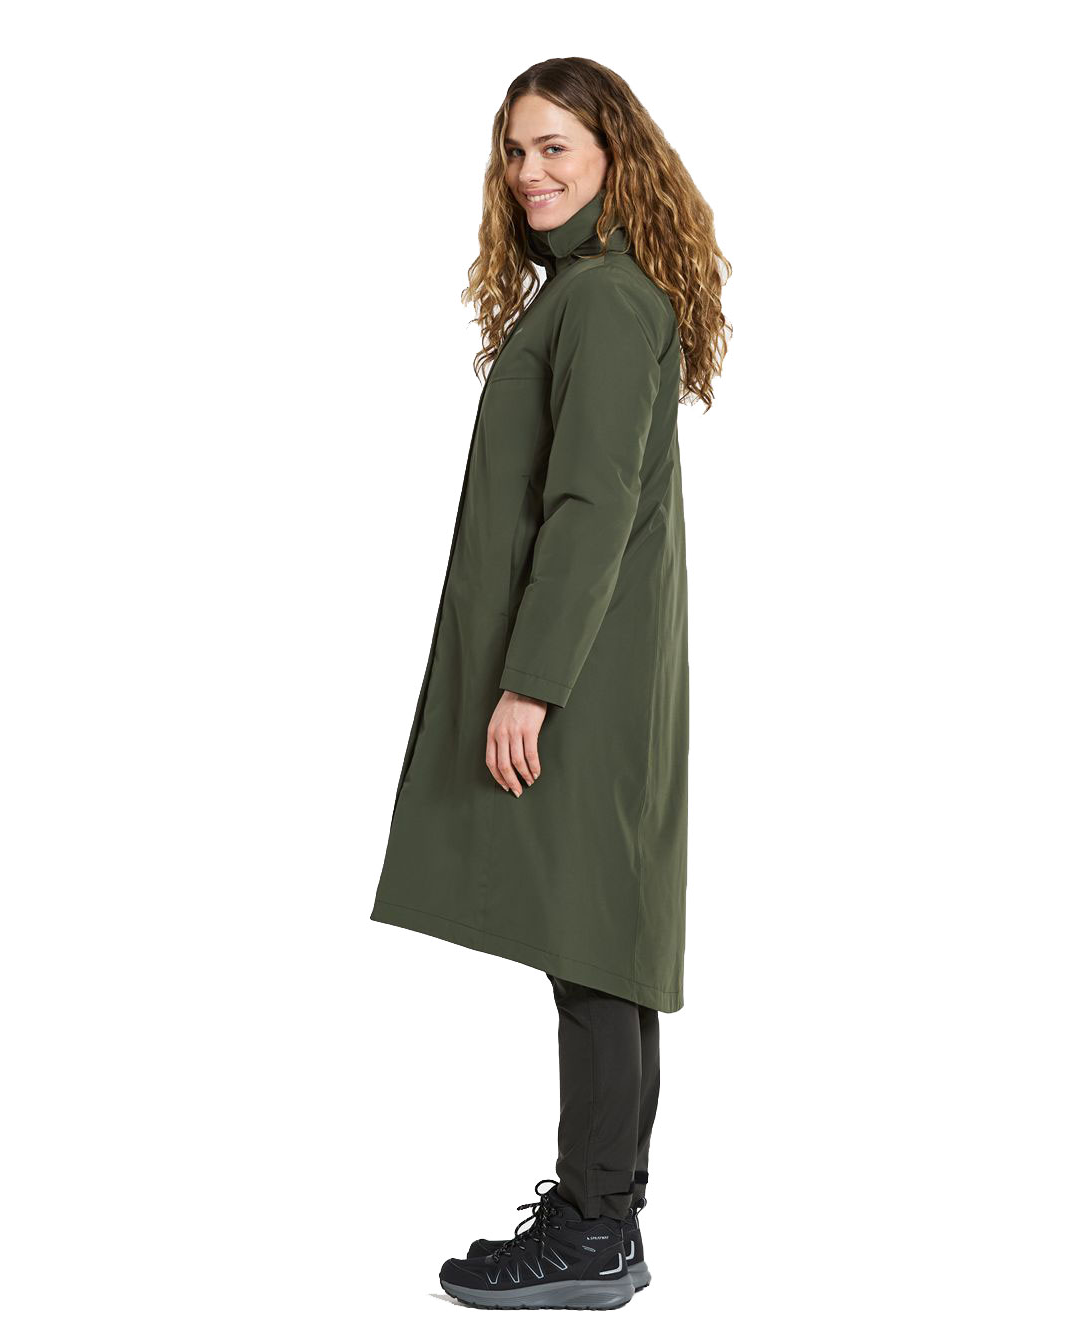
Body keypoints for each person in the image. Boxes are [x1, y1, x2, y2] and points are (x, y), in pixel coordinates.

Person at [369, 56, 730, 1310]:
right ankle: (601, 1220)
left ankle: (595, 1227)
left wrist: (528, 682)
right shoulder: (587, 291)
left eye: (554, 148)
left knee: (593, 950)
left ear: (612, 155)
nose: (528, 172)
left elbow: (588, 509)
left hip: (583, 670)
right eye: (515, 151)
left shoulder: (608, 302)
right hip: (597, 663)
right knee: (600, 946)